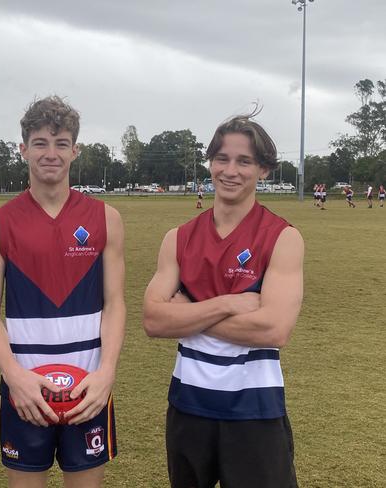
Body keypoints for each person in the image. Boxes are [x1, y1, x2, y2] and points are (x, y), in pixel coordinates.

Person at [143, 113, 304, 488]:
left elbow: (274, 329)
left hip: (255, 412)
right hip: (188, 407)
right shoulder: (178, 238)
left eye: (244, 161)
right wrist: (229, 304)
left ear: (263, 170)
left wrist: (187, 312)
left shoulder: (282, 238)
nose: (230, 170)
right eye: (222, 159)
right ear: (210, 163)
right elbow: (153, 321)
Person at [0, 96, 125, 488]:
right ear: (23, 148)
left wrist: (106, 373)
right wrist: (13, 377)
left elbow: (115, 304)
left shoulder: (105, 218)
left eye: (61, 144)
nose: (50, 153)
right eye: (40, 142)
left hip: (88, 387)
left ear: (75, 150)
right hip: (24, 390)